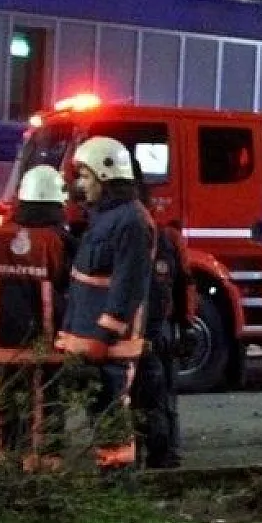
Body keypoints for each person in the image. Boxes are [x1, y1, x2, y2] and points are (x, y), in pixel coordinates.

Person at [54, 137, 155, 472]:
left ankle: (116, 486)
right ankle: (109, 480)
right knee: (100, 416)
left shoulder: (132, 222)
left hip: (109, 348)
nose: (81, 184)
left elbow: (128, 286)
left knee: (111, 419)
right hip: (91, 341)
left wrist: (104, 334)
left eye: (85, 175)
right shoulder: (108, 218)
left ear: (105, 174)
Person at [0, 165, 75, 472]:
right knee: (46, 409)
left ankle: (4, 470)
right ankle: (44, 478)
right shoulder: (60, 242)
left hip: (1, 345)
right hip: (47, 346)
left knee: (6, 409)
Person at [131, 212, 194, 470]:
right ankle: (163, 453)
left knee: (153, 393)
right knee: (159, 394)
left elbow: (183, 284)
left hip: (147, 328)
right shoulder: (167, 239)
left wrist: (186, 326)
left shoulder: (164, 240)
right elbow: (184, 284)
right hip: (153, 327)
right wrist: (186, 326)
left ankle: (160, 453)